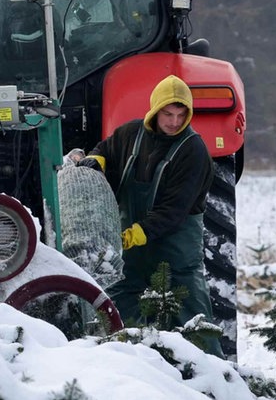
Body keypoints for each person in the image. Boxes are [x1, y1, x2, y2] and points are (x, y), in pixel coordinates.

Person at [74, 74, 215, 328]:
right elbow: (104, 150)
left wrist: (133, 235)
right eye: (168, 114)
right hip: (131, 258)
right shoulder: (131, 133)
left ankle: (210, 368)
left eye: (181, 115)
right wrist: (96, 162)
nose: (174, 122)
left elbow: (174, 210)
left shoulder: (194, 151)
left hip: (176, 259)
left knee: (194, 327)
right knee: (115, 318)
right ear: (155, 111)